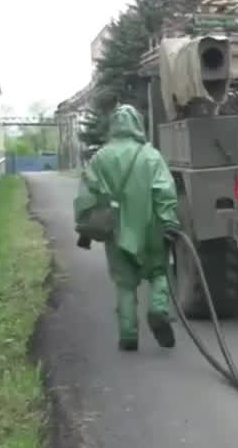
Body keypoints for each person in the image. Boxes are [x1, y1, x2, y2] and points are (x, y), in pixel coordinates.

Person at [74, 104, 182, 352]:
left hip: (116, 231)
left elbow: (86, 195)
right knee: (158, 273)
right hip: (151, 229)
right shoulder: (151, 155)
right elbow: (164, 190)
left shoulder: (100, 157)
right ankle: (157, 310)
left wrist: (86, 224)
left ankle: (128, 335)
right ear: (137, 124)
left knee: (124, 283)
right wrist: (169, 220)